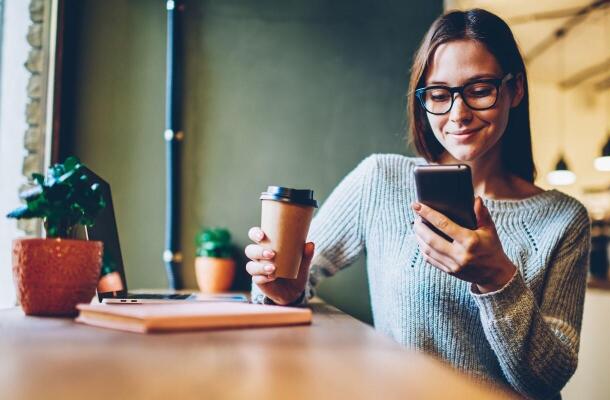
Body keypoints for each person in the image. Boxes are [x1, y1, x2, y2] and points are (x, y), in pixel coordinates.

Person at [245, 9, 590, 399]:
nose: (458, 114)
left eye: (479, 90)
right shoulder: (381, 180)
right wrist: (281, 287)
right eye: (440, 94)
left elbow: (549, 380)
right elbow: (292, 283)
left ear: (515, 90)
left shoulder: (564, 219)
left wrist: (499, 281)